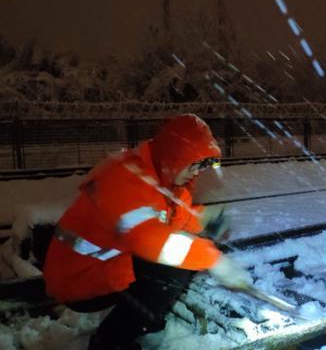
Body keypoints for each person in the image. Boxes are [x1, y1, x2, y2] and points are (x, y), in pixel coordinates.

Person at [42, 114, 252, 350]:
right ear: (176, 155)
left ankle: (143, 319)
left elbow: (175, 216)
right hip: (76, 277)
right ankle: (108, 343)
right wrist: (213, 259)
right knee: (170, 270)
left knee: (178, 261)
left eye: (202, 165)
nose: (197, 172)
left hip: (102, 265)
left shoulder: (161, 176)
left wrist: (203, 220)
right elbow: (150, 239)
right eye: (194, 163)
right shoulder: (126, 178)